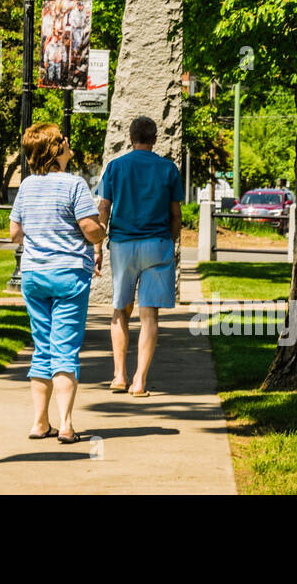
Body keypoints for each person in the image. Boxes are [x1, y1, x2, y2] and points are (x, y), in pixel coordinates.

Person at [9, 123, 106, 443]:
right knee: (65, 347)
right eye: (63, 140)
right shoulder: (74, 185)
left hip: (34, 275)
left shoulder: (26, 186)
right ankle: (65, 425)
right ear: (56, 149)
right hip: (68, 275)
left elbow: (14, 233)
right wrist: (101, 232)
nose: (68, 142)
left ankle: (39, 423)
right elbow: (90, 228)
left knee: (42, 346)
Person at [94, 115, 184, 397]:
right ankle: (140, 381)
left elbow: (104, 209)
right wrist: (169, 242)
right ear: (155, 139)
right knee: (149, 314)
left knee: (120, 310)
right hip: (157, 243)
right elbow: (176, 215)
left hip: (123, 245)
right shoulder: (168, 168)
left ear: (130, 138)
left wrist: (97, 247)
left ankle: (119, 376)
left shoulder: (115, 167)